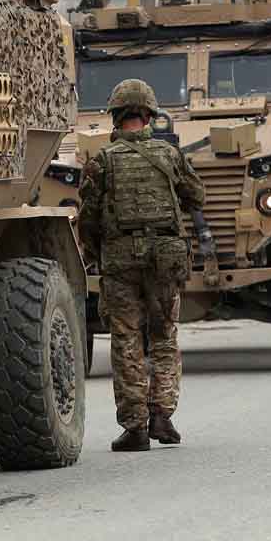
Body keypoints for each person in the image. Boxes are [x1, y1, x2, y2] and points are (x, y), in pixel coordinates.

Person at [77, 79, 205, 452]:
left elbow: (88, 218)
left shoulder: (101, 160)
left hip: (119, 261)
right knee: (164, 336)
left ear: (116, 117)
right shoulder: (169, 154)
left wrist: (94, 254)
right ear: (149, 114)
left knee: (126, 341)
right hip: (165, 258)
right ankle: (163, 415)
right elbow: (197, 195)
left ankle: (134, 427)